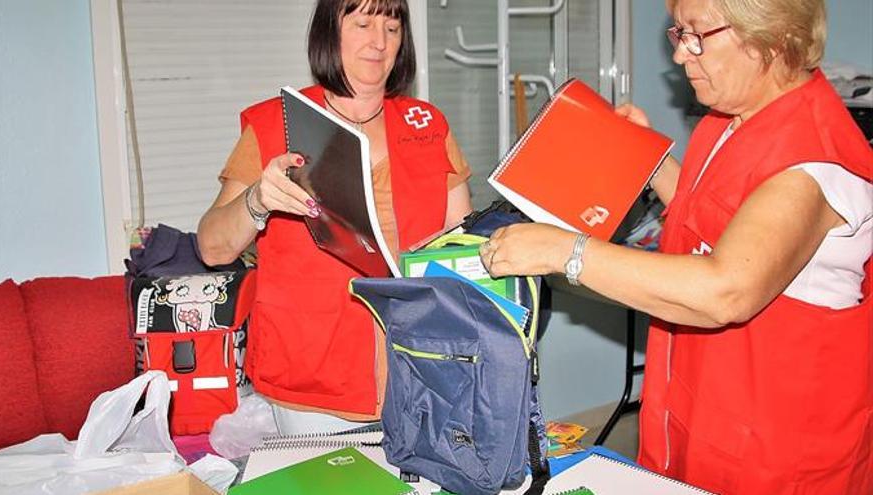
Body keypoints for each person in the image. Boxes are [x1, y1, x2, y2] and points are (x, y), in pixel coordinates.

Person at [479, 0, 872, 493]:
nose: (682, 56)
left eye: (697, 36)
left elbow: (726, 290)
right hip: (706, 408)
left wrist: (568, 251)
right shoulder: (733, 119)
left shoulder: (813, 164)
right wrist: (649, 159)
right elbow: (717, 215)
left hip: (776, 448)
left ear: (767, 38)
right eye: (678, 34)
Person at [197, 0, 472, 434]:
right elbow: (212, 247)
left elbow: (462, 243)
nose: (379, 42)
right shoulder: (275, 123)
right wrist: (257, 200)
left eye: (393, 28)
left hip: (421, 371)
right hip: (312, 379)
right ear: (330, 31)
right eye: (363, 23)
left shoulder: (427, 124)